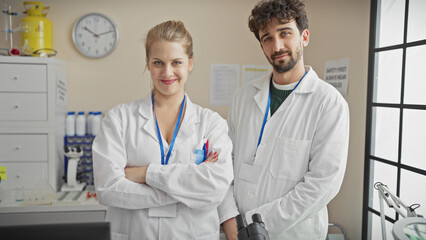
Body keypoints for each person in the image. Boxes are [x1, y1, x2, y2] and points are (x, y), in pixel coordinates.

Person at [219, 0, 350, 239]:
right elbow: (226, 164)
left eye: (285, 33)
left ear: (305, 37)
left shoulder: (329, 103)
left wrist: (256, 225)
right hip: (235, 232)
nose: (277, 45)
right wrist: (229, 219)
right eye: (267, 38)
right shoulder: (243, 97)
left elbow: (322, 184)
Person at [92, 20, 234, 240]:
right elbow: (108, 188)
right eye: (158, 62)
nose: (167, 73)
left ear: (190, 63)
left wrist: (145, 173)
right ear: (148, 63)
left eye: (176, 62)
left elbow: (215, 189)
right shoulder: (118, 119)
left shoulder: (211, 123)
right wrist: (186, 190)